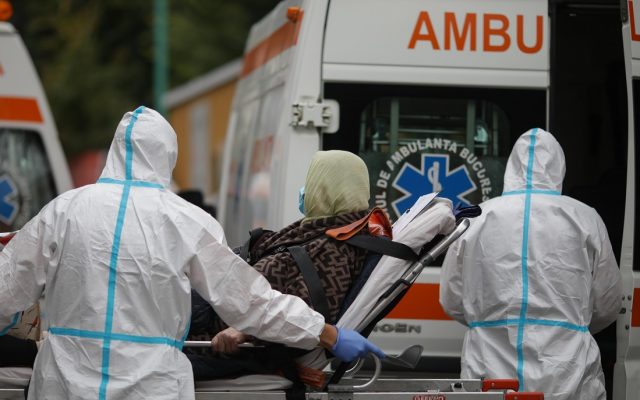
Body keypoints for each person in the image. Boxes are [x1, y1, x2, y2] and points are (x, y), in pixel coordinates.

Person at [0, 106, 383, 400]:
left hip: (65, 383)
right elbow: (252, 303)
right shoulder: (187, 221)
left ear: (115, 151)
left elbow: (6, 291)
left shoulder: (63, 211)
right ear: (168, 156)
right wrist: (325, 333)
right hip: (150, 386)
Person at [440, 128, 622, 400]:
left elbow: (452, 298)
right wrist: (569, 325)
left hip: (489, 366)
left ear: (511, 166)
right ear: (559, 167)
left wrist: (489, 323)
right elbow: (608, 302)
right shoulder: (585, 218)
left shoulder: (477, 218)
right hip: (566, 370)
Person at [188, 150, 376, 373]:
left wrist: (245, 332)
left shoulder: (336, 251)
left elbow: (311, 311)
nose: (306, 190)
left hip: (218, 335)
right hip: (222, 308)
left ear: (323, 187)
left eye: (312, 182)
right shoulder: (326, 230)